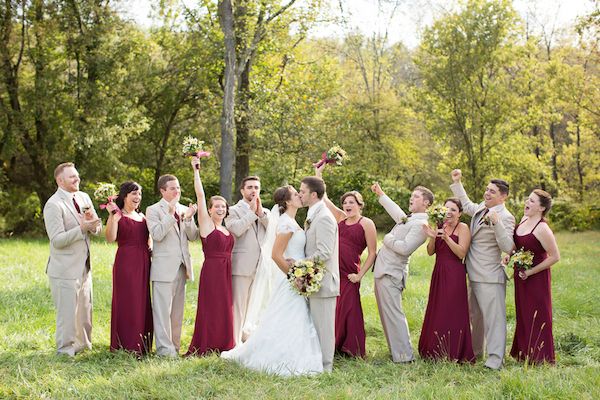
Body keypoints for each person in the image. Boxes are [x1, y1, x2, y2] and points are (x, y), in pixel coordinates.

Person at [221, 185, 323, 376]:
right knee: (289, 316)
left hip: (295, 274)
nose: (300, 196)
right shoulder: (286, 224)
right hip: (290, 279)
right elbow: (276, 255)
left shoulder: (292, 221)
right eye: (296, 194)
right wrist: (295, 278)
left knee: (291, 317)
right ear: (287, 201)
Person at [450, 169, 515, 370]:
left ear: (503, 196)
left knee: (494, 319)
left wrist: (496, 224)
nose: (487, 193)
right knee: (475, 317)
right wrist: (457, 183)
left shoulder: (506, 217)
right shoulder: (481, 207)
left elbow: (508, 247)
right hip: (473, 272)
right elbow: (468, 205)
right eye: (487, 189)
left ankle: (495, 360)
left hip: (490, 275)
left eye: (492, 192)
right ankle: (476, 352)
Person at [315, 164, 377, 358]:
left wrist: (360, 275)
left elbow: (373, 252)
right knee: (336, 307)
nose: (347, 205)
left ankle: (353, 348)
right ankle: (334, 345)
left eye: (352, 202)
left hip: (350, 272)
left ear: (360, 204)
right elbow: (323, 199)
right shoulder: (340, 218)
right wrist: (318, 174)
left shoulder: (366, 223)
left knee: (350, 309)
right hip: (334, 270)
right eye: (345, 203)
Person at [43, 162, 101, 356]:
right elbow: (57, 240)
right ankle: (65, 351)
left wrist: (93, 226)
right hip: (64, 269)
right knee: (67, 314)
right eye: (72, 177)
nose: (77, 179)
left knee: (85, 310)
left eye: (77, 175)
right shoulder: (53, 204)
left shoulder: (83, 197)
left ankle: (84, 346)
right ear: (60, 180)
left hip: (84, 266)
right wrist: (82, 229)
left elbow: (96, 228)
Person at [370, 182, 432, 363]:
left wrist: (387, 239)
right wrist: (381, 194)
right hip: (383, 271)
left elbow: (405, 248)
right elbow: (395, 210)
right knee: (386, 314)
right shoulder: (410, 218)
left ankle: (405, 356)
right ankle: (397, 352)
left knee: (394, 314)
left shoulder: (421, 224)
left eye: (416, 196)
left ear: (427, 202)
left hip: (392, 273)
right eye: (411, 196)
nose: (411, 198)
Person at [187, 157, 235, 355]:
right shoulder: (207, 225)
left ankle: (224, 342)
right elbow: (200, 195)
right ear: (209, 209)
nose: (221, 209)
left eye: (223, 206)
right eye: (217, 206)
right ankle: (208, 342)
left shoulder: (226, 228)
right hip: (213, 270)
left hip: (226, 270)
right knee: (211, 305)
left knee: (224, 306)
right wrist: (196, 170)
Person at [146, 174, 198, 357]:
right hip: (163, 268)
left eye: (178, 187)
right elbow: (157, 235)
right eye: (173, 188)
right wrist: (170, 215)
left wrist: (190, 219)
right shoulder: (153, 210)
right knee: (162, 312)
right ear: (163, 191)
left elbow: (193, 237)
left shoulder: (185, 209)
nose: (177, 191)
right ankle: (164, 350)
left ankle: (174, 347)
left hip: (182, 267)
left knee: (177, 312)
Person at [419, 198, 475, 363]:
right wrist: (432, 236)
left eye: (453, 209)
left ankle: (454, 351)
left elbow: (461, 253)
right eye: (446, 209)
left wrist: (446, 238)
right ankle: (435, 350)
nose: (449, 212)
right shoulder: (440, 225)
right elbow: (430, 252)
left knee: (452, 310)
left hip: (454, 273)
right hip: (439, 272)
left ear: (459, 213)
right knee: (438, 308)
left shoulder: (463, 228)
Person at [509, 189, 560, 364]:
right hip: (520, 276)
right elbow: (517, 246)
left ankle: (541, 357)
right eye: (527, 199)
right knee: (523, 313)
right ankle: (524, 353)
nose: (526, 203)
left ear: (541, 207)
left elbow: (555, 256)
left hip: (536, 278)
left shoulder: (542, 228)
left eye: (531, 201)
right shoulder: (523, 220)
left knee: (538, 314)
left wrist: (530, 272)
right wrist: (510, 254)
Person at [105, 181, 153, 356]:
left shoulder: (143, 217)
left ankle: (142, 344)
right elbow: (110, 238)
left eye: (139, 194)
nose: (137, 197)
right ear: (124, 196)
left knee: (143, 300)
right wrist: (112, 218)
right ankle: (126, 343)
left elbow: (148, 239)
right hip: (126, 262)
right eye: (134, 194)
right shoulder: (118, 215)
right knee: (128, 301)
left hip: (144, 261)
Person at [299, 176, 340, 372]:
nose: (300, 194)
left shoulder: (324, 217)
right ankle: (315, 364)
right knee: (315, 325)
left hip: (324, 283)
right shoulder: (313, 214)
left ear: (313, 195)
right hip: (314, 280)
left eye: (302, 191)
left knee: (324, 329)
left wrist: (300, 264)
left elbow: (324, 252)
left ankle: (326, 368)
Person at [224, 176, 269, 343]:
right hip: (241, 265)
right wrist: (251, 213)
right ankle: (234, 342)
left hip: (260, 267)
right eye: (250, 187)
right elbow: (236, 229)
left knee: (253, 307)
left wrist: (261, 213)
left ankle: (247, 339)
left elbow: (272, 230)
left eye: (256, 187)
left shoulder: (265, 212)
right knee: (238, 306)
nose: (253, 190)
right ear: (242, 190)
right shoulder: (233, 210)